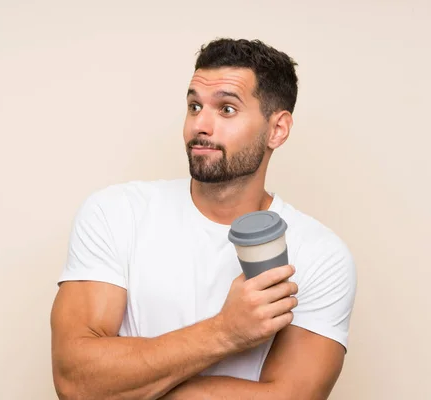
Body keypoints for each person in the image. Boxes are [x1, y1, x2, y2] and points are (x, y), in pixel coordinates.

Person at [50, 38, 357, 400]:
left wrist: (126, 386)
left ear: (277, 130)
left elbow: (290, 396)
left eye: (226, 109)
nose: (201, 125)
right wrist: (225, 332)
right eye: (194, 106)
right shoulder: (116, 213)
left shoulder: (320, 255)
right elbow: (76, 382)